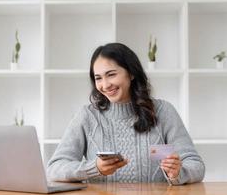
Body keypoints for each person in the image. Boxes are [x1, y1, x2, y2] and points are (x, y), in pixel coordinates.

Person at [47, 43, 205, 185]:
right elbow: (54, 168)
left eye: (111, 75)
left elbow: (195, 164)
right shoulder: (87, 116)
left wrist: (178, 173)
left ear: (131, 73)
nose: (105, 85)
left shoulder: (163, 111)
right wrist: (93, 168)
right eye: (98, 78)